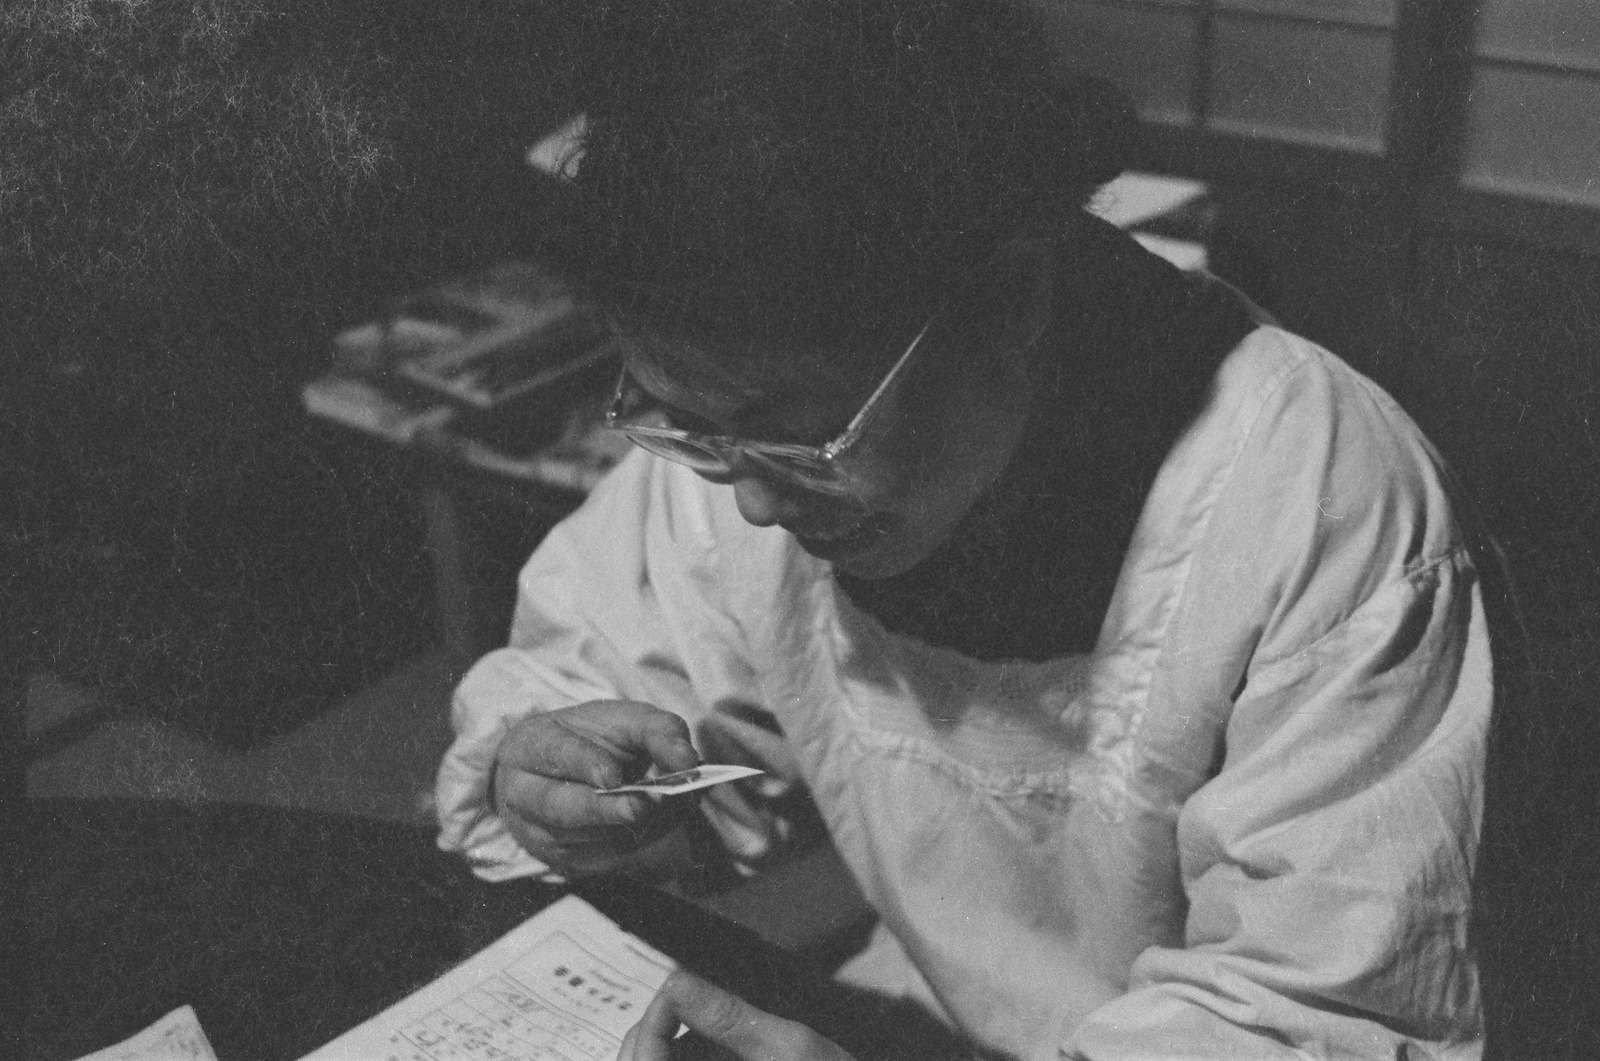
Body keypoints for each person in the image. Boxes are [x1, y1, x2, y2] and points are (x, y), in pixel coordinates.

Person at [435, 1, 1495, 1057]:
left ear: (1011, 298)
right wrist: (560, 778)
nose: (751, 500)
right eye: (688, 423)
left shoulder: (1324, 507)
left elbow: (1318, 1019)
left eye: (799, 438)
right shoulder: (748, 426)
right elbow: (599, 666)